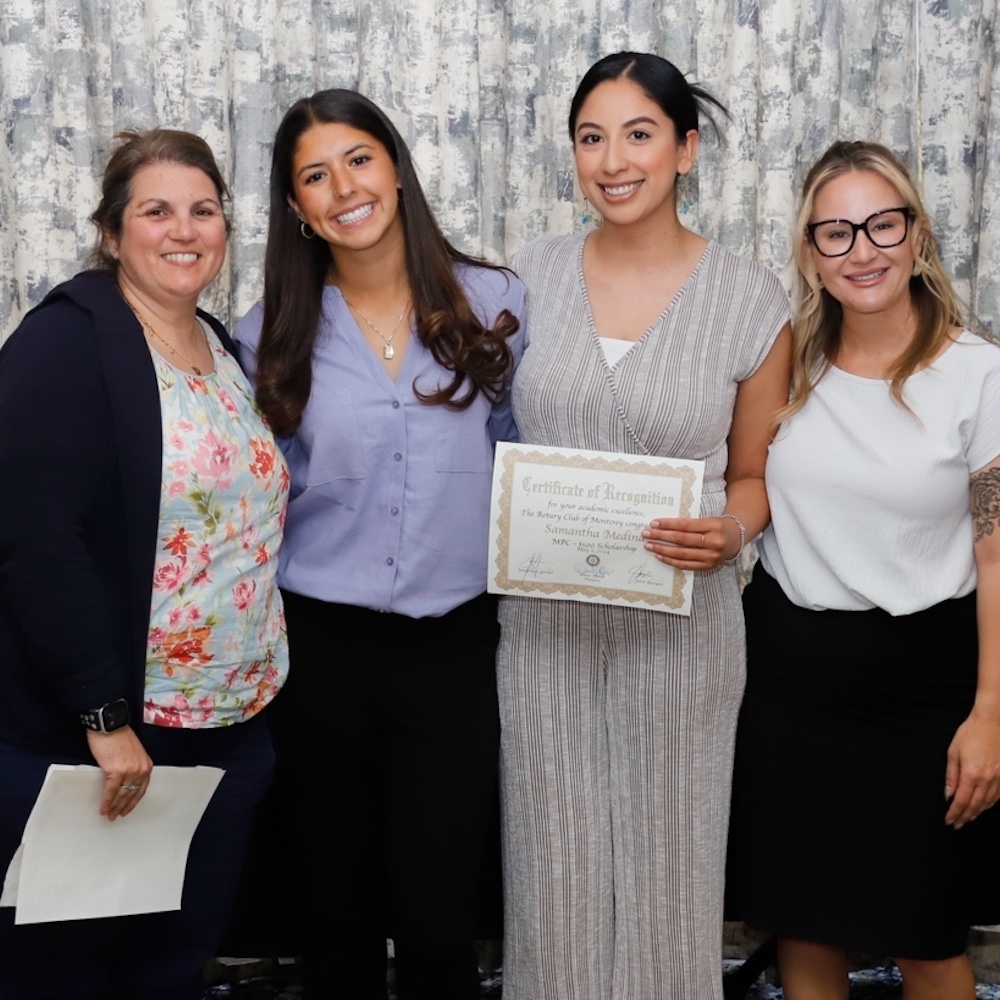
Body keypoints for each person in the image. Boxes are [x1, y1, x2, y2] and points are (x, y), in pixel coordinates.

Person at [497, 52, 792, 1000]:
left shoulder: (750, 297)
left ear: (686, 150)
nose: (612, 160)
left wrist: (731, 533)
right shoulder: (523, 279)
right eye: (592, 137)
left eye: (639, 133)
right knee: (552, 877)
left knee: (672, 876)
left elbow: (755, 476)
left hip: (686, 628)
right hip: (544, 630)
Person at [234, 88, 524, 1000]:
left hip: (454, 651)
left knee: (442, 921)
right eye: (314, 176)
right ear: (295, 209)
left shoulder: (498, 302)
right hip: (322, 654)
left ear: (395, 165)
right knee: (336, 917)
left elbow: (535, 462)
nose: (343, 187)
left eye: (358, 159)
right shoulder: (264, 337)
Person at [0, 129, 289, 998]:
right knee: (69, 970)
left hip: (231, 728)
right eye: (155, 210)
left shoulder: (220, 350)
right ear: (112, 231)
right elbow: (36, 541)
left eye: (203, 210)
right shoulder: (66, 343)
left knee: (170, 963)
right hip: (119, 739)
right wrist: (104, 715)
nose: (183, 229)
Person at [725, 140, 1000, 999]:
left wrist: (992, 710)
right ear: (810, 253)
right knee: (807, 929)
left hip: (927, 689)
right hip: (789, 683)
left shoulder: (978, 375)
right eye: (835, 232)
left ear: (917, 235)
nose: (863, 250)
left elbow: (996, 551)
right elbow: (739, 479)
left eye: (883, 224)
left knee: (927, 940)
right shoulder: (787, 367)